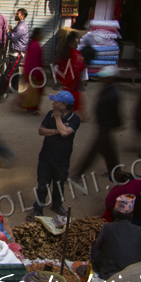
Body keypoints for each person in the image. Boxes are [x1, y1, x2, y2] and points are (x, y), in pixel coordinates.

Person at [27, 91, 81, 221]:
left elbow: (65, 133)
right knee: (42, 184)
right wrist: (56, 130)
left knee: (59, 183)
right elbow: (41, 131)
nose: (53, 103)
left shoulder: (74, 119)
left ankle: (56, 205)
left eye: (56, 101)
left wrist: (57, 119)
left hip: (62, 159)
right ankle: (38, 209)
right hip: (46, 156)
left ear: (63, 105)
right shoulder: (50, 114)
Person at [71, 65, 127, 181]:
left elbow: (117, 112)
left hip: (105, 126)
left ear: (110, 78)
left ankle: (78, 174)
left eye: (104, 77)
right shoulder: (108, 89)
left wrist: (117, 124)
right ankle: (115, 171)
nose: (102, 79)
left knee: (93, 151)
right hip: (104, 125)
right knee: (108, 150)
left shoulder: (112, 93)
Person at [91, 194, 141, 279]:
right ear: (131, 215)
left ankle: (98, 268)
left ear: (115, 212)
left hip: (109, 274)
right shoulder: (140, 231)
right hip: (132, 275)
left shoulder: (107, 227)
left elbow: (98, 246)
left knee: (95, 248)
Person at [55, 31, 86, 118]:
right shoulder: (76, 54)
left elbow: (59, 65)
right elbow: (79, 67)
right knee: (75, 98)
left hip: (65, 81)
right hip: (72, 81)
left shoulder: (64, 52)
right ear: (73, 41)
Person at [20, 28, 44, 115]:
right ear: (37, 35)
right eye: (41, 34)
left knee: (31, 91)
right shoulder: (35, 46)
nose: (42, 35)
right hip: (34, 73)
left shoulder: (32, 45)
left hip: (30, 72)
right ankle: (31, 108)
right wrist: (34, 74)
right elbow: (34, 62)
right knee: (33, 92)